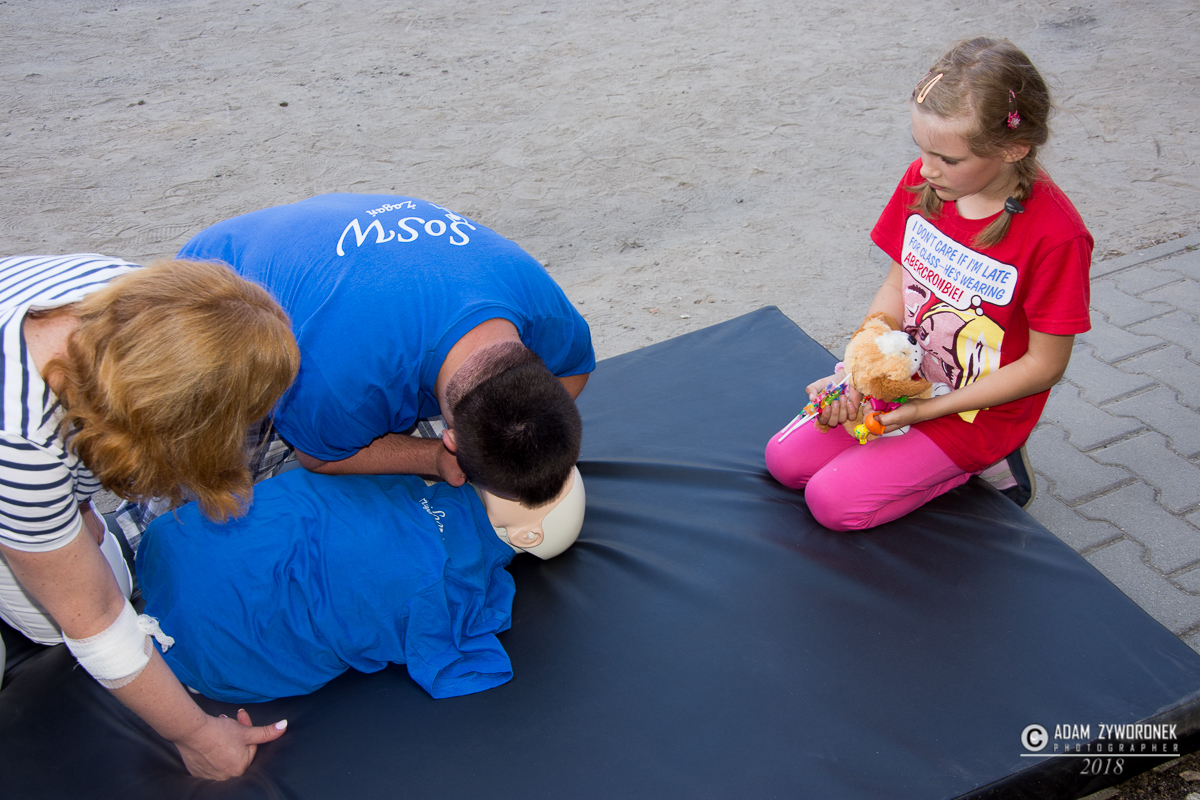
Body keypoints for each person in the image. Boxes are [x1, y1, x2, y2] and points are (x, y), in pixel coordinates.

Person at [765, 37, 1092, 530]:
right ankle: (903, 450)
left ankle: (988, 464)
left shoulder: (1056, 237)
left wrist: (922, 413)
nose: (927, 166)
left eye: (948, 159)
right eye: (921, 148)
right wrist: (859, 369)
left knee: (832, 503)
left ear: (1012, 148)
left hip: (974, 413)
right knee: (785, 463)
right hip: (904, 377)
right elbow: (896, 285)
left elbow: (1045, 367)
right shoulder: (925, 183)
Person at [0, 255, 300, 778]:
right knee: (60, 627)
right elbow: (94, 618)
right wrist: (198, 736)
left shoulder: (136, 300)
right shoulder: (21, 446)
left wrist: (76, 505)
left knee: (102, 578)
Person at [177, 194, 595, 507]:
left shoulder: (553, 318)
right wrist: (432, 459)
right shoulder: (338, 387)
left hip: (329, 245)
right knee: (220, 492)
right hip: (206, 297)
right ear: (450, 440)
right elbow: (320, 459)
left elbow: (576, 370)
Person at [135, 464, 586, 703]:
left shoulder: (463, 583)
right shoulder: (442, 477)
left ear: (530, 535)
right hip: (196, 558)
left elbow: (435, 646)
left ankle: (186, 642)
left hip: (196, 599)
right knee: (303, 511)